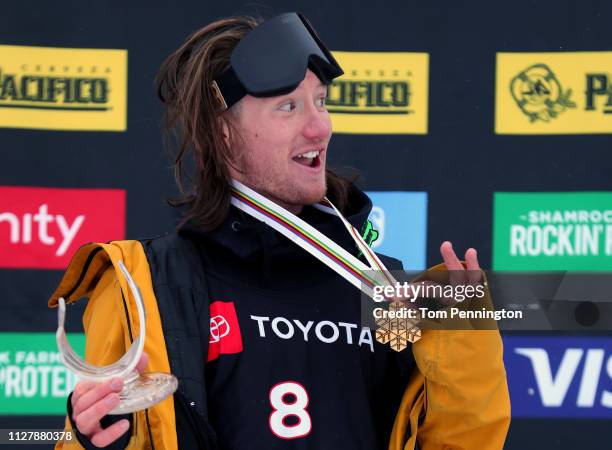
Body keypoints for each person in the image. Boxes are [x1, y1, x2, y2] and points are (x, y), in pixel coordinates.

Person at [49, 12, 510, 450]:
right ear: (223, 132)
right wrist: (94, 437)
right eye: (288, 107)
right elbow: (101, 430)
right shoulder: (147, 284)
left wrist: (464, 343)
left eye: (321, 101)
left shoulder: (382, 289)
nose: (320, 127)